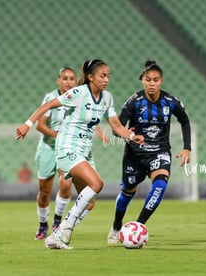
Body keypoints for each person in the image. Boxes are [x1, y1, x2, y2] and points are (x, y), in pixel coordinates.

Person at [16, 59, 144, 249]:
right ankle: (64, 229)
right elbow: (49, 105)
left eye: (108, 76)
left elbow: (116, 125)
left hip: (84, 151)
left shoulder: (107, 98)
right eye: (103, 75)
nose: (107, 79)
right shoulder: (79, 93)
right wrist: (27, 124)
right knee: (97, 184)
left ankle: (56, 236)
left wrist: (131, 136)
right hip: (67, 147)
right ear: (90, 77)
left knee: (89, 202)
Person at [107, 60, 191, 244]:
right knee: (128, 191)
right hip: (134, 155)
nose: (152, 83)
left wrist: (186, 148)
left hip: (159, 153)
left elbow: (185, 120)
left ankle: (137, 227)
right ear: (142, 81)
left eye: (156, 79)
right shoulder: (134, 102)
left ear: (162, 81)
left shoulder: (170, 102)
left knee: (160, 186)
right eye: (148, 79)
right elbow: (116, 127)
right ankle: (116, 225)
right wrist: (129, 135)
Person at [33, 67, 108, 240]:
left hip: (69, 148)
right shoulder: (51, 97)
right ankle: (43, 224)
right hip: (48, 147)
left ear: (76, 81)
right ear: (58, 81)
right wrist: (56, 134)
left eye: (71, 78)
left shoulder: (81, 96)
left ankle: (59, 222)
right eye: (64, 78)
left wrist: (99, 132)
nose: (68, 81)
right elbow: (40, 125)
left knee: (65, 185)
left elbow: (87, 120)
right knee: (44, 192)